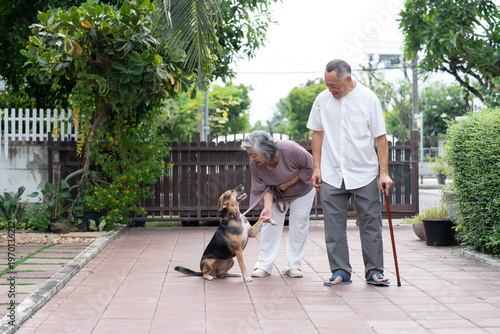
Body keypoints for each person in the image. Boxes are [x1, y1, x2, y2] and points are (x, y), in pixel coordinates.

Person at [306, 59, 393, 286]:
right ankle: (340, 271)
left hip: (364, 172)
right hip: (332, 173)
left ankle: (374, 271)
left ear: (348, 79)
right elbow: (317, 133)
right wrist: (317, 167)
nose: (330, 89)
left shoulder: (368, 98)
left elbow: (380, 138)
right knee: (333, 227)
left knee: (371, 223)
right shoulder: (322, 100)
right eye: (327, 84)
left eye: (334, 85)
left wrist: (384, 173)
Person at [241, 131, 316, 278]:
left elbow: (310, 166)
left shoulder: (290, 149)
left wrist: (287, 184)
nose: (251, 158)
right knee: (269, 223)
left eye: (254, 155)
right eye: (249, 154)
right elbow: (262, 187)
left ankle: (293, 266)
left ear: (266, 151)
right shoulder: (255, 164)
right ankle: (264, 265)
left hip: (302, 190)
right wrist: (268, 207)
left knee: (298, 223)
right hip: (275, 193)